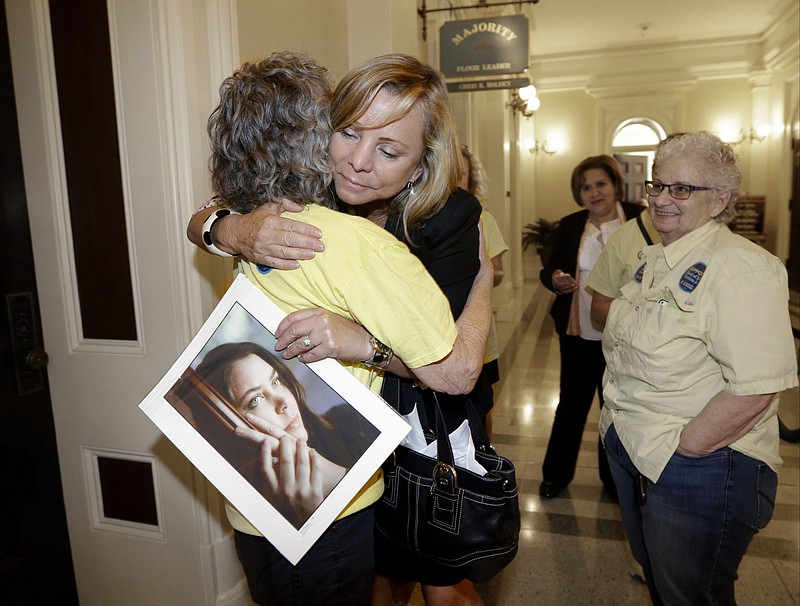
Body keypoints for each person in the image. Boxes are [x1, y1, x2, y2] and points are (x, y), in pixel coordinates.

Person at [191, 54, 495, 606]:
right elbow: (205, 217)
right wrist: (231, 229)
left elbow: (455, 370)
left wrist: (480, 285)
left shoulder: (449, 218)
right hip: (335, 463)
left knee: (427, 576)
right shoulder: (301, 207)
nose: (356, 162)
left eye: (388, 150)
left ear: (421, 164)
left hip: (417, 429)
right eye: (347, 132)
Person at [600, 131, 798, 605]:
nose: (662, 199)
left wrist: (684, 449)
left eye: (683, 189)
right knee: (664, 583)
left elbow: (755, 388)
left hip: (700, 465)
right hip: (639, 446)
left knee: (692, 594)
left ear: (720, 200)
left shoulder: (741, 268)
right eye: (657, 185)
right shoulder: (657, 259)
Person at [538, 155, 645, 500]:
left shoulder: (642, 221)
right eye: (586, 187)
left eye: (601, 184)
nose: (594, 192)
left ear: (615, 185)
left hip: (626, 335)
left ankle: (613, 479)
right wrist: (555, 278)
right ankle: (556, 475)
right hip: (579, 332)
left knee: (615, 407)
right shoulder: (571, 225)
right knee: (571, 404)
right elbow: (549, 269)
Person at [191, 342, 379, 529]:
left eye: (276, 382)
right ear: (236, 430)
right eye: (256, 400)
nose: (283, 402)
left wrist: (326, 471)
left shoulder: (351, 419)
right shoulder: (257, 512)